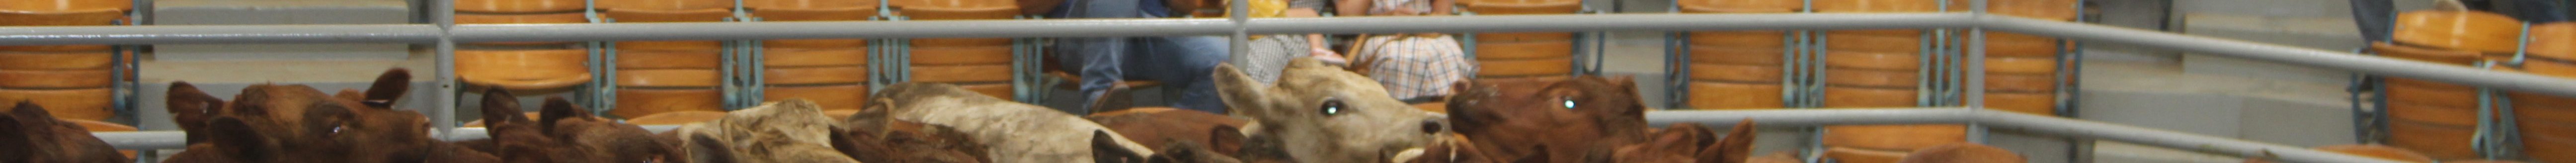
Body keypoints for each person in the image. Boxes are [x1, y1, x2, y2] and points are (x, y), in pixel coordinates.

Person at [1029, 0, 1236, 114]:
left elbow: (1186, 5)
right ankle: (1100, 91)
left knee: (1221, 65)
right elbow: (1027, 5)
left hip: (1146, 32)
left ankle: (1169, 146)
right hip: (1082, 37)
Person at [1338, 0, 1472, 101]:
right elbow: (1348, 15)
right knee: (1397, 57)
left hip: (1425, 29)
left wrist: (1421, 21)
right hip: (1375, 32)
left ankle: (1443, 120)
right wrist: (1388, 18)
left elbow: (1443, 15)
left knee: (1449, 51)